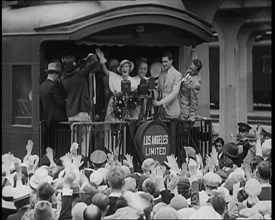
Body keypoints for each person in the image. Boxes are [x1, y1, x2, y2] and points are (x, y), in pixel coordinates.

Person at [61, 51, 99, 156]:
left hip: (71, 113)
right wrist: (89, 57)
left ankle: (74, 160)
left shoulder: (63, 78)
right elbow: (94, 62)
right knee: (84, 140)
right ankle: (83, 160)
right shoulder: (80, 74)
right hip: (82, 110)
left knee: (74, 140)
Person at [95, 48, 139, 121]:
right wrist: (102, 59)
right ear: (120, 69)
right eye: (122, 67)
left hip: (130, 110)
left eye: (126, 66)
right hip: (116, 108)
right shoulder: (115, 77)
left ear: (129, 68)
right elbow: (106, 71)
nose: (124, 69)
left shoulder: (134, 81)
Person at [153, 51, 182, 119]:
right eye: (162, 62)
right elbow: (158, 90)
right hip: (161, 112)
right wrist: (154, 99)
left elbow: (174, 93)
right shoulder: (161, 74)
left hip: (172, 111)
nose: (163, 64)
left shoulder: (177, 75)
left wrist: (160, 102)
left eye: (166, 62)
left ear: (171, 61)